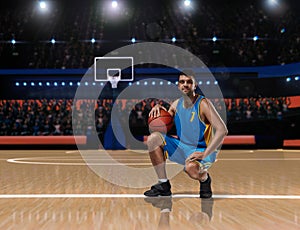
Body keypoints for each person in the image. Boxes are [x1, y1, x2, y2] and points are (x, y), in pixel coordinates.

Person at [144, 70, 228, 198]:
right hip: (182, 147)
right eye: (182, 82)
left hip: (202, 150)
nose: (185, 84)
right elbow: (164, 122)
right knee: (153, 139)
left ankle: (205, 179)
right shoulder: (176, 104)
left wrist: (205, 153)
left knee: (191, 169)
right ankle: (163, 184)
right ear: (178, 85)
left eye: (189, 82)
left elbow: (222, 130)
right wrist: (158, 108)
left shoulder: (203, 104)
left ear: (195, 85)